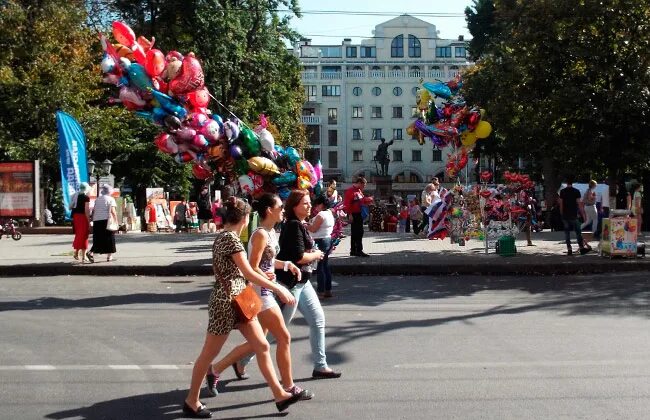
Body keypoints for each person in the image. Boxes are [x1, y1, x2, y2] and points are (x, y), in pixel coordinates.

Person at [182, 197, 304, 419]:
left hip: (241, 299)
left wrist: (277, 272)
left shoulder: (229, 237)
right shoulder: (230, 239)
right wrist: (277, 288)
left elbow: (247, 272)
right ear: (245, 218)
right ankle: (192, 400)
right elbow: (249, 272)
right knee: (208, 355)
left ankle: (279, 394)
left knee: (262, 345)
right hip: (226, 302)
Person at [205, 194, 313, 401]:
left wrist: (286, 264)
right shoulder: (261, 234)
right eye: (280, 206)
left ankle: (215, 369)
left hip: (266, 289)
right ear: (268, 210)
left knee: (260, 342)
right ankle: (288, 387)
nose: (283, 209)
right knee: (283, 337)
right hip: (260, 293)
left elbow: (269, 262)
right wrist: (276, 286)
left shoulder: (272, 232)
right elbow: (253, 268)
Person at [238, 189, 341, 380]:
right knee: (277, 333)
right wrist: (316, 255)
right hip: (291, 284)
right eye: (305, 203)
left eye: (310, 202)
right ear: (294, 207)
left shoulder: (299, 224)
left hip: (303, 282)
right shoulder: (293, 226)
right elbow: (298, 257)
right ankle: (242, 360)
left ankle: (320, 366)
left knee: (317, 320)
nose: (310, 205)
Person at [308, 195, 335, 298]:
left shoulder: (321, 215)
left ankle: (321, 291)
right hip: (327, 239)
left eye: (317, 205)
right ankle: (328, 290)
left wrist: (306, 225)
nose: (315, 207)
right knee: (325, 266)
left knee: (320, 267)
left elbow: (313, 229)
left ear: (321, 204)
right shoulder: (329, 213)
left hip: (320, 240)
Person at [87, 184, 117, 263]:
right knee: (109, 238)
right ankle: (109, 256)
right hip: (106, 221)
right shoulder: (111, 199)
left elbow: (94, 211)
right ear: (109, 191)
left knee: (98, 239)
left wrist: (92, 219)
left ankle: (91, 253)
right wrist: (116, 221)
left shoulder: (98, 199)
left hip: (97, 221)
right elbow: (113, 212)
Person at [559, 177, 589, 255]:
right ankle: (581, 248)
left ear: (566, 183)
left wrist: (561, 213)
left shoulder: (562, 192)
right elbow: (579, 204)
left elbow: (561, 204)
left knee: (567, 233)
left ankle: (569, 249)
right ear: (572, 183)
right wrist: (583, 214)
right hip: (574, 214)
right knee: (578, 232)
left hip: (565, 214)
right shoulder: (576, 191)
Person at [343, 176, 369, 257]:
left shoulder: (359, 191)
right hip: (354, 214)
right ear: (359, 183)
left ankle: (354, 250)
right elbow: (347, 204)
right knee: (357, 232)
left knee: (357, 232)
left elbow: (362, 201)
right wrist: (349, 214)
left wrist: (369, 200)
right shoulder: (350, 191)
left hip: (359, 213)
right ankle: (358, 250)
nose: (364, 187)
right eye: (363, 185)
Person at [69, 182, 91, 263]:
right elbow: (86, 210)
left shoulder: (75, 195)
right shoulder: (86, 197)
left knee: (79, 235)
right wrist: (89, 221)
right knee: (84, 235)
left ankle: (78, 253)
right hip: (82, 217)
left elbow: (72, 206)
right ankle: (82, 256)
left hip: (76, 217)